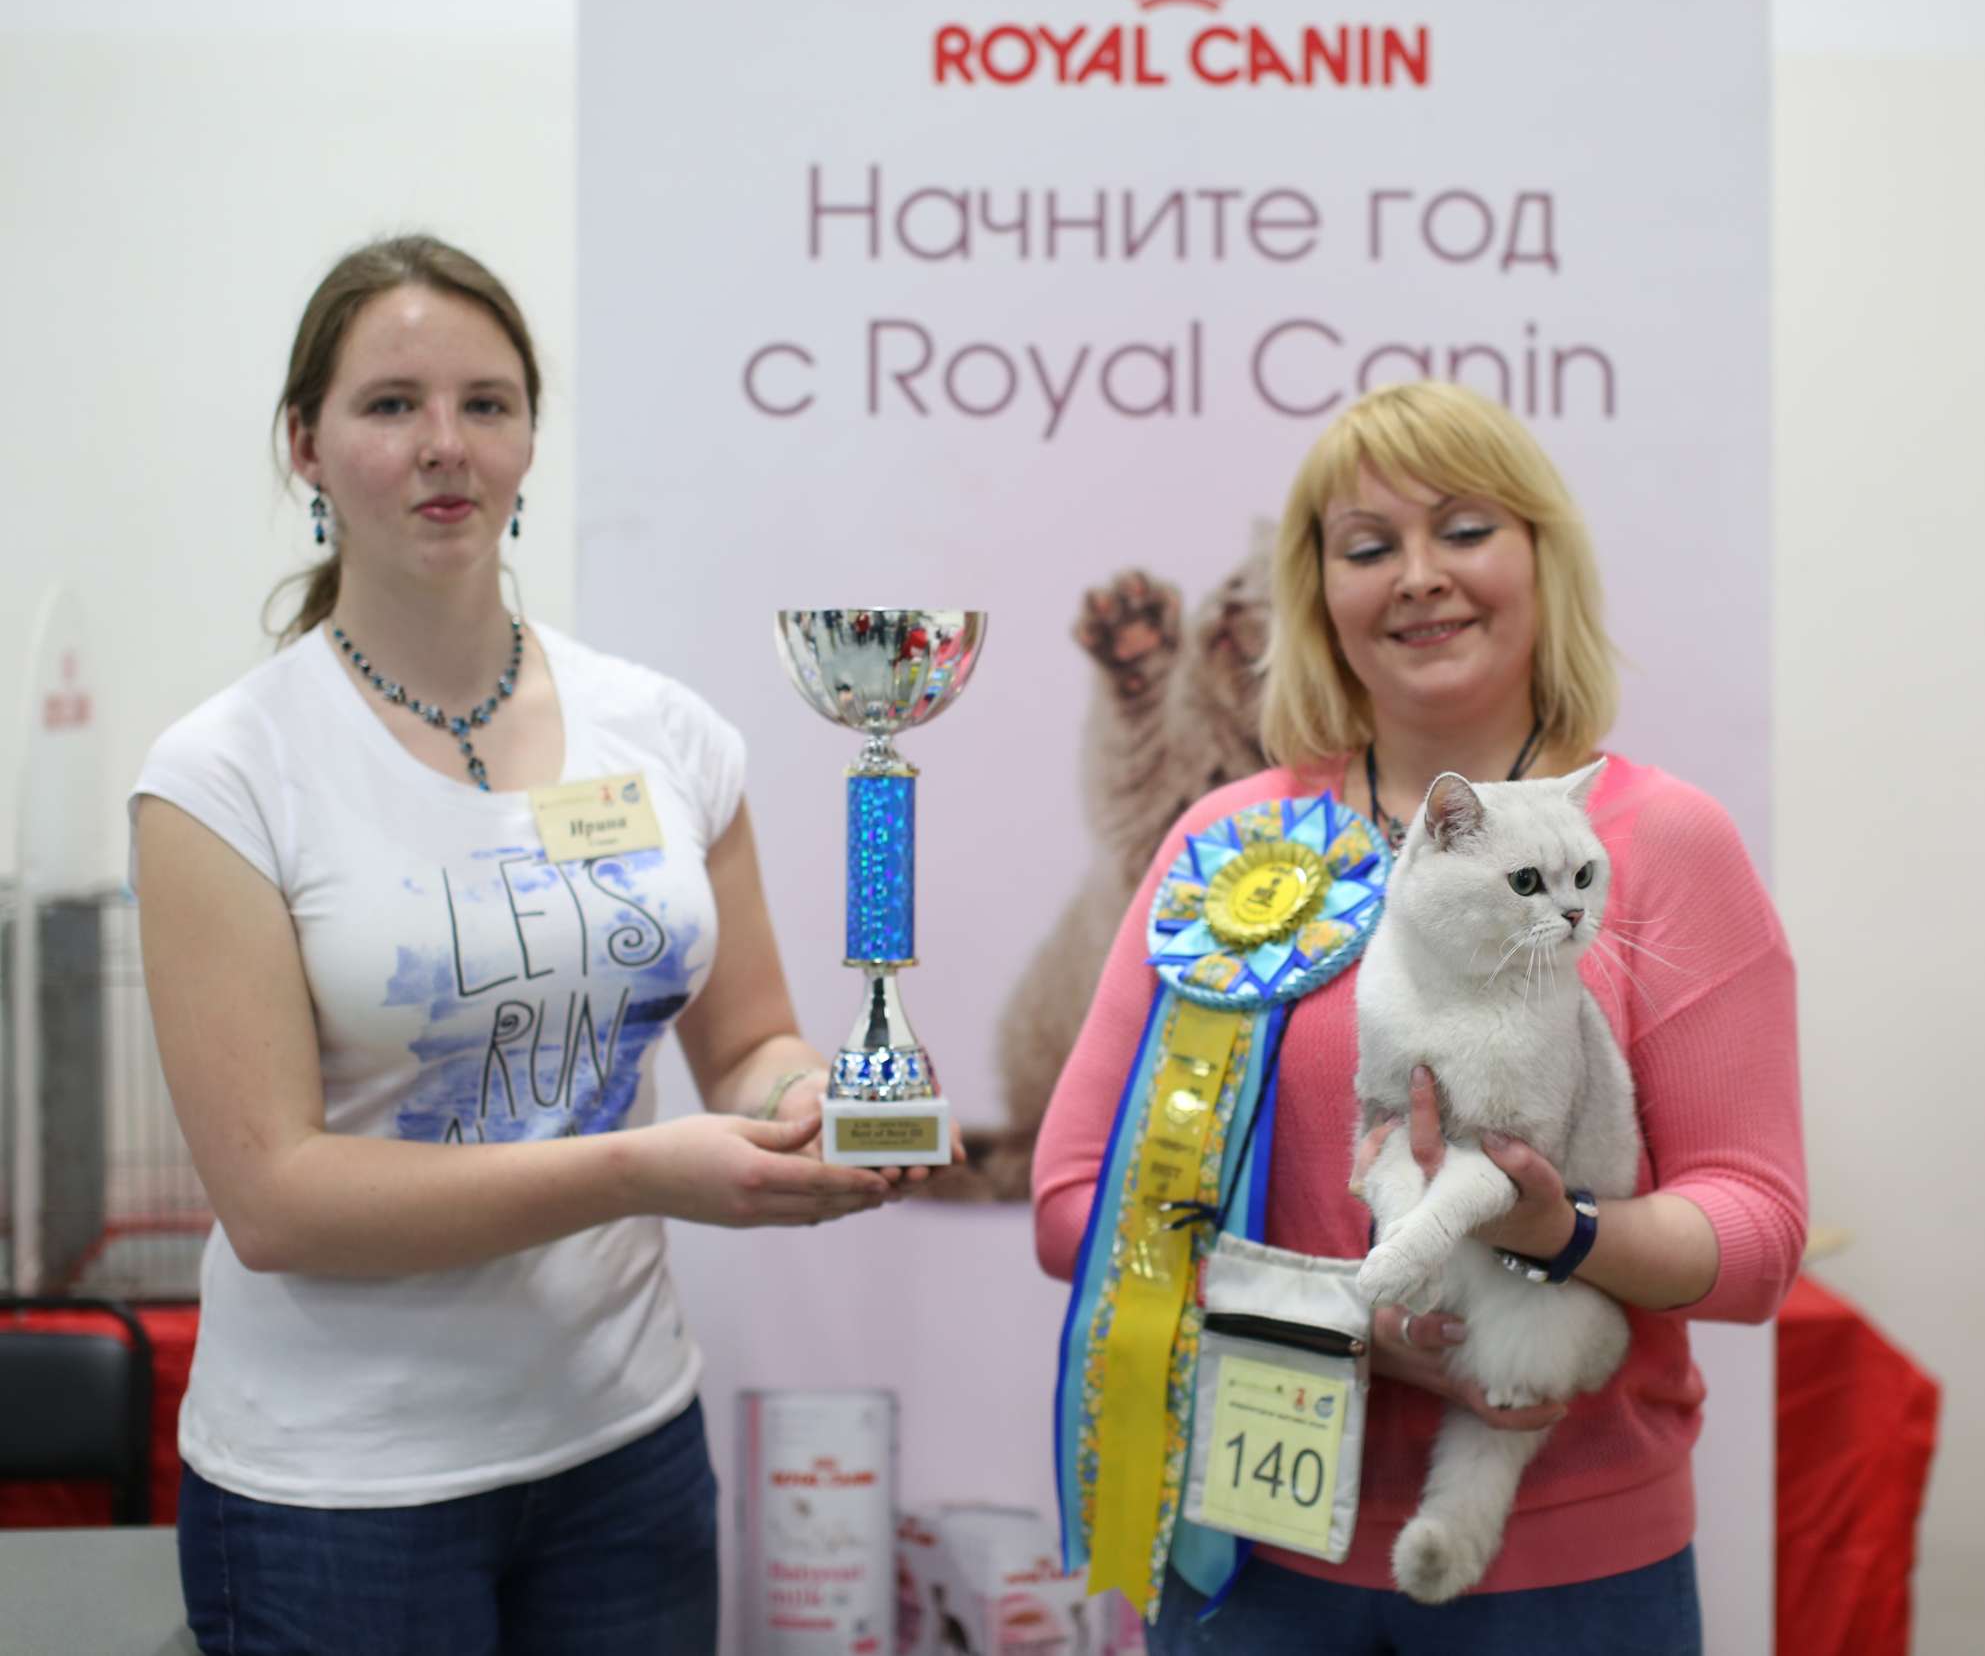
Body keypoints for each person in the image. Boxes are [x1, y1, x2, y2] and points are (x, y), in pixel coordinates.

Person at [132, 235, 930, 1656]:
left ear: (528, 440)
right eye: (392, 405)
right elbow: (279, 1201)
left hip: (623, 1451)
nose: (445, 444)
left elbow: (749, 1041)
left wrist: (818, 1105)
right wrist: (640, 1168)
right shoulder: (222, 777)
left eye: (485, 404)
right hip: (339, 1499)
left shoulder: (664, 732)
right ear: (305, 445)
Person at [1032, 380, 1806, 1653]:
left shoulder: (1660, 842)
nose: (1417, 576)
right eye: (1365, 546)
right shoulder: (1233, 849)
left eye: (1462, 529)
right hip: (1250, 1558)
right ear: (1312, 594)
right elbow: (1076, 1204)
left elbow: (1757, 1234)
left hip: (1569, 1579)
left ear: (1540, 558)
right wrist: (1356, 1329)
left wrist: (1562, 1234)